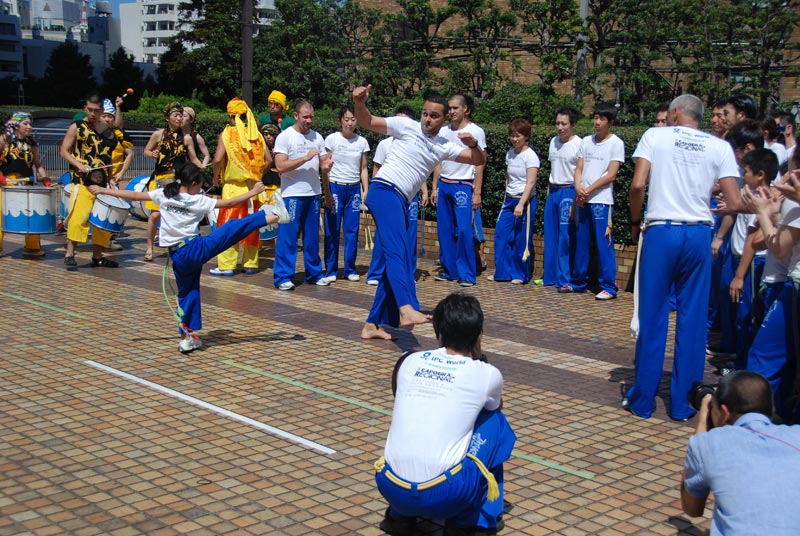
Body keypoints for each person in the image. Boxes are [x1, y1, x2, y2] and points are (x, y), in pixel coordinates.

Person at [88, 163, 290, 353]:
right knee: (230, 229)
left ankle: (188, 336)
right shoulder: (197, 200)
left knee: (188, 292)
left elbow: (133, 195)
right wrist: (253, 193)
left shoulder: (164, 195)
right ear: (193, 183)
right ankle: (272, 215)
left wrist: (103, 190)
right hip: (193, 249)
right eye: (201, 184)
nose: (202, 188)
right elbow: (229, 202)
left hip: (177, 254)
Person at [625, 94, 743, 421]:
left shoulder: (655, 135)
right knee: (692, 319)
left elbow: (637, 185)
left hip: (662, 230)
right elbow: (733, 200)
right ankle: (684, 403)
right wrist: (706, 193)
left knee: (654, 316)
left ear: (675, 113)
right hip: (698, 234)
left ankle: (643, 400)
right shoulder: (719, 146)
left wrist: (636, 223)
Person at [375, 293, 516, 536]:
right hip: (446, 494)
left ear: (438, 333)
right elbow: (495, 406)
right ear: (478, 335)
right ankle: (478, 520)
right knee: (495, 423)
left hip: (390, 485)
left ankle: (400, 517)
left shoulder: (408, 361)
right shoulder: (486, 373)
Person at [352, 84, 485, 340]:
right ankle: (405, 309)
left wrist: (475, 144)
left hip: (401, 201)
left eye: (434, 116)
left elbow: (478, 160)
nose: (427, 119)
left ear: (445, 118)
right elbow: (367, 121)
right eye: (425, 113)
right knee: (395, 253)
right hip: (384, 190)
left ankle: (372, 324)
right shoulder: (407, 126)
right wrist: (359, 103)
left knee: (399, 255)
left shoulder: (445, 145)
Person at [681, 371, 800, 535]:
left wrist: (703, 420)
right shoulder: (796, 436)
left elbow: (692, 508)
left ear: (725, 412)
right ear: (772, 408)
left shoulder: (708, 443)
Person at [365, 105, 427, 286]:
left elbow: (420, 169)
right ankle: (376, 273)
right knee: (385, 234)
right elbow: (376, 169)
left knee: (409, 234)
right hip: (389, 193)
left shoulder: (418, 141)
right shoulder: (385, 144)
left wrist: (424, 190)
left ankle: (408, 273)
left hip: (410, 194)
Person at [272, 100, 332, 290]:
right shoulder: (285, 137)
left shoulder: (317, 137)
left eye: (311, 117)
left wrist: (327, 165)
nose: (309, 121)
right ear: (296, 116)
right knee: (288, 236)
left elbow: (323, 163)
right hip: (292, 194)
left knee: (312, 237)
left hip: (313, 193)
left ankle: (314, 273)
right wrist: (305, 158)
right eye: (305, 117)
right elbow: (280, 165)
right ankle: (282, 276)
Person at [431, 94, 487, 287]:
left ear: (466, 110)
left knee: (464, 230)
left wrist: (477, 191)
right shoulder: (443, 132)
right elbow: (439, 160)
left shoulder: (475, 132)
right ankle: (450, 270)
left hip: (463, 185)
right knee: (444, 230)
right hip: (444, 184)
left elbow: (480, 163)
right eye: (450, 108)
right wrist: (435, 187)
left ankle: (467, 273)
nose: (452, 111)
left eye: (456, 108)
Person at [208, 98, 268, 276]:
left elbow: (218, 159)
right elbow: (269, 160)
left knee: (228, 226)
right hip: (254, 188)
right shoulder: (256, 134)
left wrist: (216, 177)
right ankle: (251, 264)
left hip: (233, 187)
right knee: (251, 225)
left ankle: (227, 266)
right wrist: (256, 175)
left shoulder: (226, 133)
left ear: (230, 116)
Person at [59, 92, 119, 269]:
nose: (93, 113)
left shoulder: (105, 130)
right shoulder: (76, 127)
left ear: (102, 111)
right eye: (90, 110)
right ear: (85, 108)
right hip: (82, 181)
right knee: (79, 218)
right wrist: (78, 164)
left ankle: (98, 256)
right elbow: (63, 151)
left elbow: (110, 152)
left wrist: (112, 178)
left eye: (97, 110)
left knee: (102, 222)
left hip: (102, 183)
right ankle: (70, 253)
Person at [570, 102, 624, 299]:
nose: (597, 122)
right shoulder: (585, 141)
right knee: (581, 241)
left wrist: (588, 190)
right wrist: (578, 188)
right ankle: (578, 282)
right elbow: (579, 168)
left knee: (604, 244)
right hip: (583, 199)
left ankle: (609, 286)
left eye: (601, 118)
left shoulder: (616, 143)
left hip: (601, 201)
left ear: (610, 122)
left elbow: (611, 175)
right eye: (595, 118)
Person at [488, 118, 539, 285]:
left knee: (520, 238)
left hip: (524, 200)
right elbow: (508, 179)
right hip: (510, 199)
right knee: (501, 234)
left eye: (518, 136)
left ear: (526, 136)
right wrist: (505, 200)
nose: (514, 139)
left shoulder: (530, 156)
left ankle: (519, 274)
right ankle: (502, 272)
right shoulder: (510, 153)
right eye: (512, 135)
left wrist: (521, 204)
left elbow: (530, 182)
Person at [322, 104, 370, 283]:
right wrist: (326, 190)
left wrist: (366, 189)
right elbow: (325, 166)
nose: (350, 123)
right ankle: (331, 269)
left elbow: (363, 168)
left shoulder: (362, 142)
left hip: (353, 189)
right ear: (340, 120)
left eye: (353, 119)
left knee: (352, 230)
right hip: (335, 186)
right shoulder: (332, 139)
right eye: (346, 119)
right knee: (332, 229)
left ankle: (349, 268)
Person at [143, 102, 189, 262]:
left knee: (175, 214)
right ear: (167, 118)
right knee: (155, 215)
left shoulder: (186, 137)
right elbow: (146, 151)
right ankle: (149, 246)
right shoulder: (158, 135)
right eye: (175, 115)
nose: (179, 118)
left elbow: (193, 158)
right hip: (160, 177)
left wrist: (200, 166)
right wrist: (152, 153)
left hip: (177, 180)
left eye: (180, 116)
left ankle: (176, 244)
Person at [0, 111, 51, 256]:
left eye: (30, 124)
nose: (29, 127)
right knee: (0, 216)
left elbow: (37, 164)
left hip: (26, 185)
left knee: (31, 214)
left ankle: (32, 246)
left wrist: (45, 179)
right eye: (25, 124)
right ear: (16, 125)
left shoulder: (32, 144)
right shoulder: (4, 140)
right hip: (5, 186)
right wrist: (2, 179)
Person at [543, 106, 581, 291]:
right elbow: (553, 169)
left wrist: (576, 197)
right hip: (554, 191)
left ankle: (564, 278)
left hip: (569, 191)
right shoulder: (553, 142)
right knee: (550, 234)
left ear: (573, 125)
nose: (560, 127)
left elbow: (581, 172)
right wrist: (549, 191)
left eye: (564, 124)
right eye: (557, 123)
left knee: (565, 236)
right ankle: (549, 276)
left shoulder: (579, 144)